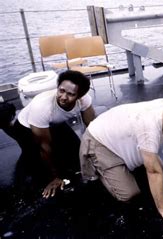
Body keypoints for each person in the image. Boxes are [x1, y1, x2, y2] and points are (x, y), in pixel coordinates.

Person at [79, 98, 163, 228]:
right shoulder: (149, 130)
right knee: (129, 193)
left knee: (157, 164)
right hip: (99, 142)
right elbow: (153, 172)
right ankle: (100, 168)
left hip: (118, 133)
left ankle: (125, 162)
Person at [1, 70, 95, 198]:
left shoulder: (84, 100)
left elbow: (92, 126)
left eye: (71, 94)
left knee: (76, 152)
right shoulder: (42, 107)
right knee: (37, 164)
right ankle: (5, 125)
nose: (63, 97)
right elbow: (45, 147)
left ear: (80, 95)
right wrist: (54, 178)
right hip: (26, 126)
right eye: (61, 90)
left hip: (55, 122)